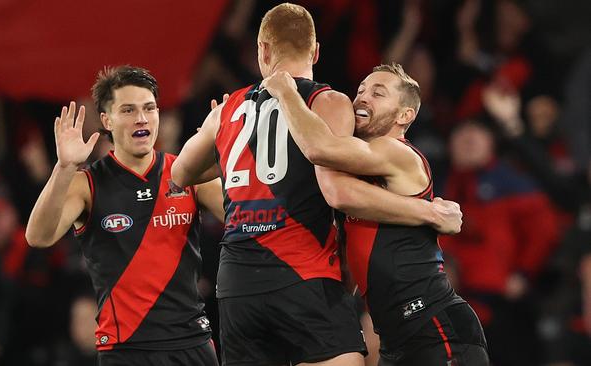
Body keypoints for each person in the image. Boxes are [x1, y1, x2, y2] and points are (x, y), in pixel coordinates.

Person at [170, 4, 463, 365]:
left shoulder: (228, 109)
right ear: (316, 51)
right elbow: (335, 185)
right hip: (302, 270)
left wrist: (223, 141)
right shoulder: (329, 102)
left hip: (236, 284)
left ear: (262, 49)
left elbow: (181, 174)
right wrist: (429, 211)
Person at [261, 63, 489, 365]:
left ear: (404, 115)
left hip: (435, 327)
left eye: (378, 93)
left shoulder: (397, 152)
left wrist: (287, 94)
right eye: (360, 91)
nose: (362, 98)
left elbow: (321, 151)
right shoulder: (358, 175)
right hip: (395, 340)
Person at [25, 65, 223, 366]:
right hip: (126, 349)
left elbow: (248, 216)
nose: (141, 118)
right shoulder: (86, 183)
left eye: (149, 108)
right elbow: (38, 236)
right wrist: (63, 169)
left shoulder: (187, 172)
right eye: (128, 110)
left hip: (191, 342)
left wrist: (232, 152)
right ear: (106, 120)